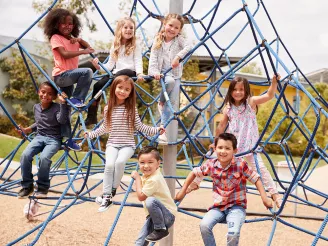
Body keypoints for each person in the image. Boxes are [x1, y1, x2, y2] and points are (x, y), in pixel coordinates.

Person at [175, 133, 273, 246]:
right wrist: (182, 191)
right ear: (215, 148)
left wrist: (264, 198)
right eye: (220, 147)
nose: (223, 151)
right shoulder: (211, 164)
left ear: (235, 150)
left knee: (233, 233)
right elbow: (194, 172)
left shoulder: (240, 164)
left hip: (236, 207)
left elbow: (256, 179)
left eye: (227, 148)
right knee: (204, 225)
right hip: (218, 207)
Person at [84, 75, 165, 212]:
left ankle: (111, 192)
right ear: (114, 88)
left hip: (127, 145)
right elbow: (105, 127)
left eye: (127, 89)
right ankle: (106, 195)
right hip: (112, 144)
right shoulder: (108, 107)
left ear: (130, 93)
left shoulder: (131, 109)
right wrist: (91, 134)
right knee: (109, 165)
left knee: (119, 163)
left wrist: (156, 130)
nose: (122, 91)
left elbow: (141, 127)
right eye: (120, 87)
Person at [204, 75, 283, 207]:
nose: (238, 92)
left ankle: (275, 195)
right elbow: (222, 126)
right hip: (233, 147)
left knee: (261, 170)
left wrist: (274, 82)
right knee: (211, 160)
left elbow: (269, 95)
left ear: (246, 91)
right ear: (230, 91)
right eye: (235, 89)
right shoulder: (228, 108)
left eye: (241, 89)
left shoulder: (251, 102)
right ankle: (195, 182)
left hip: (250, 146)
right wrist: (216, 142)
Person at [43, 8, 94, 150]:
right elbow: (64, 54)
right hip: (61, 76)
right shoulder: (55, 38)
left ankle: (66, 139)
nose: (67, 26)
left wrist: (79, 40)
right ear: (56, 24)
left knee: (65, 110)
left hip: (70, 77)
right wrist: (83, 51)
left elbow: (90, 48)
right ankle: (78, 98)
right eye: (63, 23)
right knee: (87, 72)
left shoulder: (73, 40)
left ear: (74, 25)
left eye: (70, 24)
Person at [86, 17, 145, 126]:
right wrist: (98, 66)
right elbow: (109, 66)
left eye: (131, 28)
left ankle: (113, 112)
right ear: (120, 30)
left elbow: (138, 61)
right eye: (125, 27)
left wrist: (140, 73)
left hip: (130, 72)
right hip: (116, 73)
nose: (129, 30)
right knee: (98, 85)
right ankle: (91, 116)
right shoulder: (115, 45)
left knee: (115, 80)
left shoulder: (135, 45)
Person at [16, 82, 69, 199]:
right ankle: (27, 186)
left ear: (54, 97)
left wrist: (63, 104)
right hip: (39, 137)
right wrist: (27, 129)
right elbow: (38, 123)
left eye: (50, 94)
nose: (45, 95)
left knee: (44, 158)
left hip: (54, 139)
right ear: (38, 92)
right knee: (25, 155)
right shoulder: (36, 107)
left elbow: (62, 120)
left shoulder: (56, 108)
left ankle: (43, 188)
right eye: (43, 92)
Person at [148, 13, 191, 144]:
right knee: (169, 83)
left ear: (179, 30)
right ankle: (161, 102)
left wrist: (178, 57)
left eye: (176, 27)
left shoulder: (179, 39)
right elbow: (153, 58)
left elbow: (189, 46)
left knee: (171, 104)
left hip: (176, 73)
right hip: (164, 73)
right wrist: (154, 72)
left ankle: (162, 131)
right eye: (170, 25)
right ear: (165, 24)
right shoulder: (158, 40)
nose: (172, 29)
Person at [131, 146, 176, 244]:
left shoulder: (154, 179)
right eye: (142, 162)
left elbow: (141, 196)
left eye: (150, 162)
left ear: (158, 163)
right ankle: (159, 228)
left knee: (150, 200)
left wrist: (137, 179)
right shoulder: (149, 175)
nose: (146, 166)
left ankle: (160, 229)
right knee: (140, 242)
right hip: (154, 217)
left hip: (166, 216)